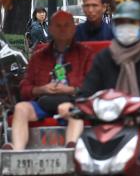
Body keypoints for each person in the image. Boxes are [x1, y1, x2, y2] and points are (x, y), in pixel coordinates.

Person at [59, 1, 140, 175]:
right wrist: (72, 105)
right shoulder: (104, 58)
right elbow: (87, 90)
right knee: (81, 159)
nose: (126, 28)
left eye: (131, 23)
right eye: (121, 23)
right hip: (104, 128)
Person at [6, 11, 94, 150]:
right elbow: (25, 87)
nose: (62, 30)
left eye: (66, 25)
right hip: (42, 101)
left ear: (73, 28)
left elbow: (92, 86)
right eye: (58, 26)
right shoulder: (38, 56)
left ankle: (71, 148)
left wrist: (70, 90)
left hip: (72, 101)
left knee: (74, 111)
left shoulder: (85, 54)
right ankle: (16, 151)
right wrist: (42, 89)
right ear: (51, 29)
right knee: (20, 108)